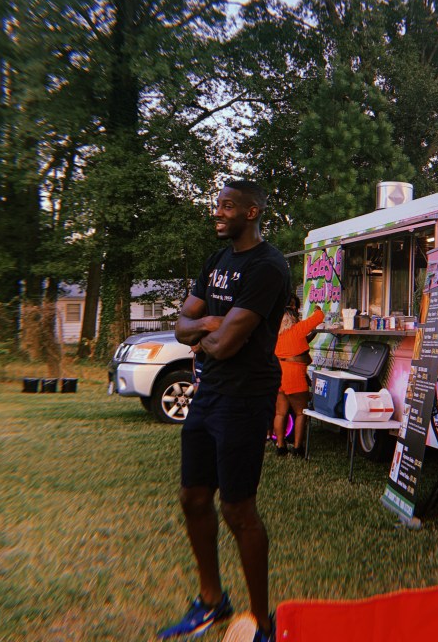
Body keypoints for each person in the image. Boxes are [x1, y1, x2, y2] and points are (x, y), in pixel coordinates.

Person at [159, 181, 290, 642]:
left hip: (246, 397)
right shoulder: (217, 261)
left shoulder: (267, 266)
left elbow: (226, 345)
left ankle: (262, 623)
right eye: (217, 204)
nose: (217, 212)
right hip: (209, 392)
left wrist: (208, 332)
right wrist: (209, 322)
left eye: (227, 206)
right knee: (193, 497)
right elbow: (181, 326)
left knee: (237, 508)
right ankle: (212, 602)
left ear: (251, 212)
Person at [272, 294, 324, 457]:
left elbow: (300, 343)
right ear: (293, 319)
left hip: (279, 374)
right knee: (301, 412)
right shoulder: (297, 329)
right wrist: (317, 309)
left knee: (280, 413)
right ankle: (297, 448)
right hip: (294, 375)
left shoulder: (276, 334)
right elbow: (319, 317)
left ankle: (281, 446)